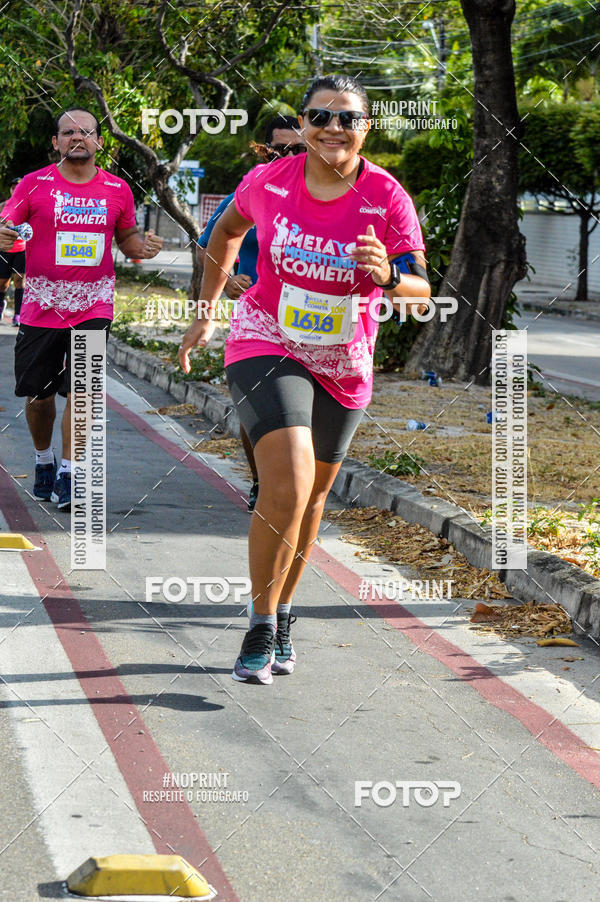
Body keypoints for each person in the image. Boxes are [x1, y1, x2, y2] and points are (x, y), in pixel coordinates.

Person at [179, 75, 430, 684]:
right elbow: (225, 232)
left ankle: (285, 610)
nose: (332, 129)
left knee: (314, 498)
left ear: (365, 128)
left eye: (347, 119)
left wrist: (388, 277)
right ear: (303, 123)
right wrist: (206, 312)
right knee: (287, 485)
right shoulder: (269, 181)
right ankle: (260, 624)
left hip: (343, 359)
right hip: (265, 337)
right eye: (320, 117)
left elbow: (421, 294)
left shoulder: (386, 196)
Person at [0, 107, 163, 511]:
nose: (78, 137)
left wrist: (142, 248)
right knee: (38, 397)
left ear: (99, 142)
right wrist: (3, 233)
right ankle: (44, 460)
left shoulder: (117, 189)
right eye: (69, 132)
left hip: (93, 304)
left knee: (84, 390)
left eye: (86, 132)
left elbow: (127, 239)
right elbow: (8, 222)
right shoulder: (34, 184)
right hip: (42, 306)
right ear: (56, 142)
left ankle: (70, 473)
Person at [196, 114, 306, 511]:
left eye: (299, 149)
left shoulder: (330, 194)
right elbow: (209, 244)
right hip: (259, 322)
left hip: (317, 325)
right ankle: (262, 481)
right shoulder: (253, 189)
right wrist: (227, 281)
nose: (289, 158)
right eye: (280, 150)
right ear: (265, 151)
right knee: (257, 407)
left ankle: (298, 491)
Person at [0, 178, 26, 326]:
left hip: (22, 249)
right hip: (5, 249)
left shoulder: (29, 205)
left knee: (19, 282)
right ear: (10, 190)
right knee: (2, 283)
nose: (15, 190)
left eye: (19, 187)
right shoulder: (3, 206)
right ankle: (1, 307)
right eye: (13, 187)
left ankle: (18, 315)